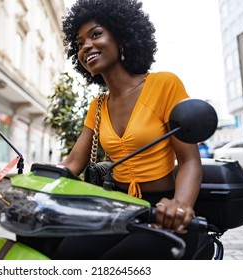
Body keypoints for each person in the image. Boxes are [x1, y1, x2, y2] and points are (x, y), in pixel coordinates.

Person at [50, 0, 204, 259]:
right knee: (64, 255)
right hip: (119, 206)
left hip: (163, 209)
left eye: (96, 34)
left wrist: (180, 206)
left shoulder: (164, 84)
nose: (86, 45)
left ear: (121, 37)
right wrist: (12, 177)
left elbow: (189, 161)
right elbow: (71, 164)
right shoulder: (97, 106)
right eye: (79, 43)